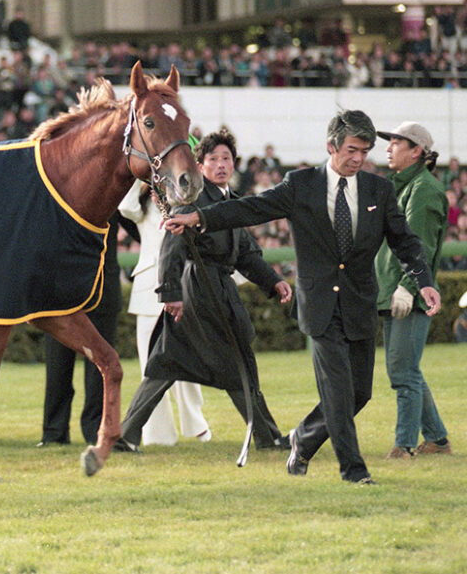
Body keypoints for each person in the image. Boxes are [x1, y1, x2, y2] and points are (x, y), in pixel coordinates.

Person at [164, 110, 442, 485]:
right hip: (319, 306)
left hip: (359, 304)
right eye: (351, 150)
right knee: (338, 392)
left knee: (359, 394)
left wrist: (423, 281)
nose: (359, 158)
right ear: (331, 146)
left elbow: (405, 241)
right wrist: (198, 217)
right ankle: (353, 471)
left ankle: (302, 441)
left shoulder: (380, 190)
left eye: (365, 151)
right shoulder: (301, 185)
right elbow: (251, 208)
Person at [116, 128, 292, 453]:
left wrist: (273, 280)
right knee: (235, 363)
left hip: (213, 289)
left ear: (235, 163)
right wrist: (170, 292)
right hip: (198, 291)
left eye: (226, 158)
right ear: (200, 164)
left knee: (168, 363)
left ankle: (125, 436)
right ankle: (268, 437)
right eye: (213, 159)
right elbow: (172, 246)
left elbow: (247, 255)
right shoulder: (192, 201)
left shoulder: (231, 204)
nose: (221, 164)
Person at [374, 122, 451, 458]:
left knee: (403, 372)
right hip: (396, 291)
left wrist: (408, 287)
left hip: (409, 294)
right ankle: (437, 440)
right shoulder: (406, 187)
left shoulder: (424, 190)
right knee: (407, 370)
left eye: (395, 142)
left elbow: (420, 245)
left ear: (416, 150)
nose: (388, 148)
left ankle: (404, 446)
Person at [118, 178, 210, 447]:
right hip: (149, 283)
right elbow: (125, 207)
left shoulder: (189, 201)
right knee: (150, 362)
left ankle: (195, 423)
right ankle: (157, 434)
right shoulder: (142, 201)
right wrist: (142, 177)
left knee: (188, 354)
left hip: (183, 283)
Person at [39, 215, 121, 447]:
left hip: (103, 290)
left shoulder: (115, 191)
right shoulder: (59, 193)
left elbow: (135, 222)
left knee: (101, 369)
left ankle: (96, 430)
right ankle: (54, 431)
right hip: (61, 294)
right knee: (57, 367)